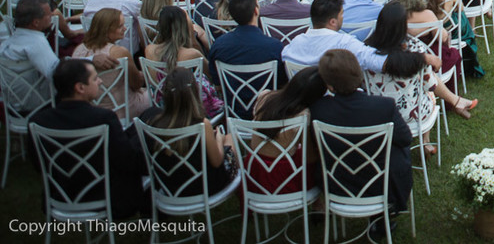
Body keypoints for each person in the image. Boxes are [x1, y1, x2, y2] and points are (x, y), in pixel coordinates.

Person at [309, 48, 412, 239]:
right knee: (399, 149)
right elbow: (406, 139)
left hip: (336, 184)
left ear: (329, 84)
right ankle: (385, 215)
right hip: (381, 185)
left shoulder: (318, 109)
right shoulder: (383, 106)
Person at [31, 59, 150, 218]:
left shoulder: (38, 121)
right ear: (80, 88)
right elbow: (127, 161)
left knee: (138, 127)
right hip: (105, 196)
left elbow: (39, 164)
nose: (100, 81)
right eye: (95, 78)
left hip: (61, 194)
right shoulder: (103, 118)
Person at [364, 2, 477, 146]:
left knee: (422, 80)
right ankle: (426, 141)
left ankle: (456, 102)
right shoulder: (413, 48)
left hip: (377, 112)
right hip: (410, 115)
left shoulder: (365, 50)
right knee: (428, 89)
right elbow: (430, 84)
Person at [139, 68, 236, 195]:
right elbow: (217, 161)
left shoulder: (153, 123)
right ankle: (243, 192)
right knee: (230, 138)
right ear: (194, 93)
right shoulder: (202, 124)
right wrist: (219, 138)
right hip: (204, 187)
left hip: (171, 187)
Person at [247, 66, 327, 194]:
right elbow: (309, 157)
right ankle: (318, 200)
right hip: (282, 177)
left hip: (254, 170)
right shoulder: (302, 115)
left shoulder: (265, 96)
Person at [73, 7, 150, 116]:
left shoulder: (78, 50)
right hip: (120, 108)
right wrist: (142, 75)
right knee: (154, 94)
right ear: (106, 30)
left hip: (90, 108)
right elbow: (136, 84)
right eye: (120, 26)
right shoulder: (119, 52)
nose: (125, 28)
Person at [281, 0, 387, 72]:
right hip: (336, 95)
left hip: (301, 95)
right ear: (333, 21)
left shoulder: (294, 44)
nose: (343, 17)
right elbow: (379, 62)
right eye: (341, 14)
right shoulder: (344, 43)